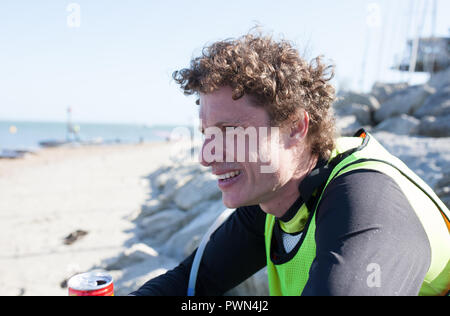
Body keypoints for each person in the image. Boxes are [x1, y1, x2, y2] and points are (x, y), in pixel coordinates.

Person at [131, 32, 450, 296]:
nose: (206, 156)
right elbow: (190, 284)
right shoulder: (275, 195)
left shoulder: (367, 202)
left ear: (296, 126)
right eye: (206, 134)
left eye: (228, 131)